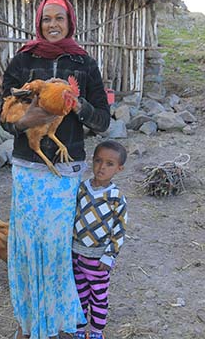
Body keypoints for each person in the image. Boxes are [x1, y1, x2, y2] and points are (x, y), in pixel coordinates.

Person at [1, 0, 111, 339]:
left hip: (65, 172)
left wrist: (77, 107)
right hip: (28, 168)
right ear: (38, 22)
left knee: (58, 247)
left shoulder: (84, 63)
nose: (52, 24)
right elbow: (3, 115)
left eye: (58, 18)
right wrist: (23, 121)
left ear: (69, 22)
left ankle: (59, 321)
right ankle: (30, 322)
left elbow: (103, 121)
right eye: (46, 19)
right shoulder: (22, 61)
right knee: (26, 247)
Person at [72, 140, 128, 339]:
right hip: (76, 254)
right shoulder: (81, 189)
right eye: (98, 161)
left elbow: (119, 230)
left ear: (119, 168)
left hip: (98, 260)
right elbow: (71, 216)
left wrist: (109, 256)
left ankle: (96, 331)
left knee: (98, 295)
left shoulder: (116, 197)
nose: (102, 167)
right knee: (78, 294)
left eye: (109, 164)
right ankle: (79, 329)